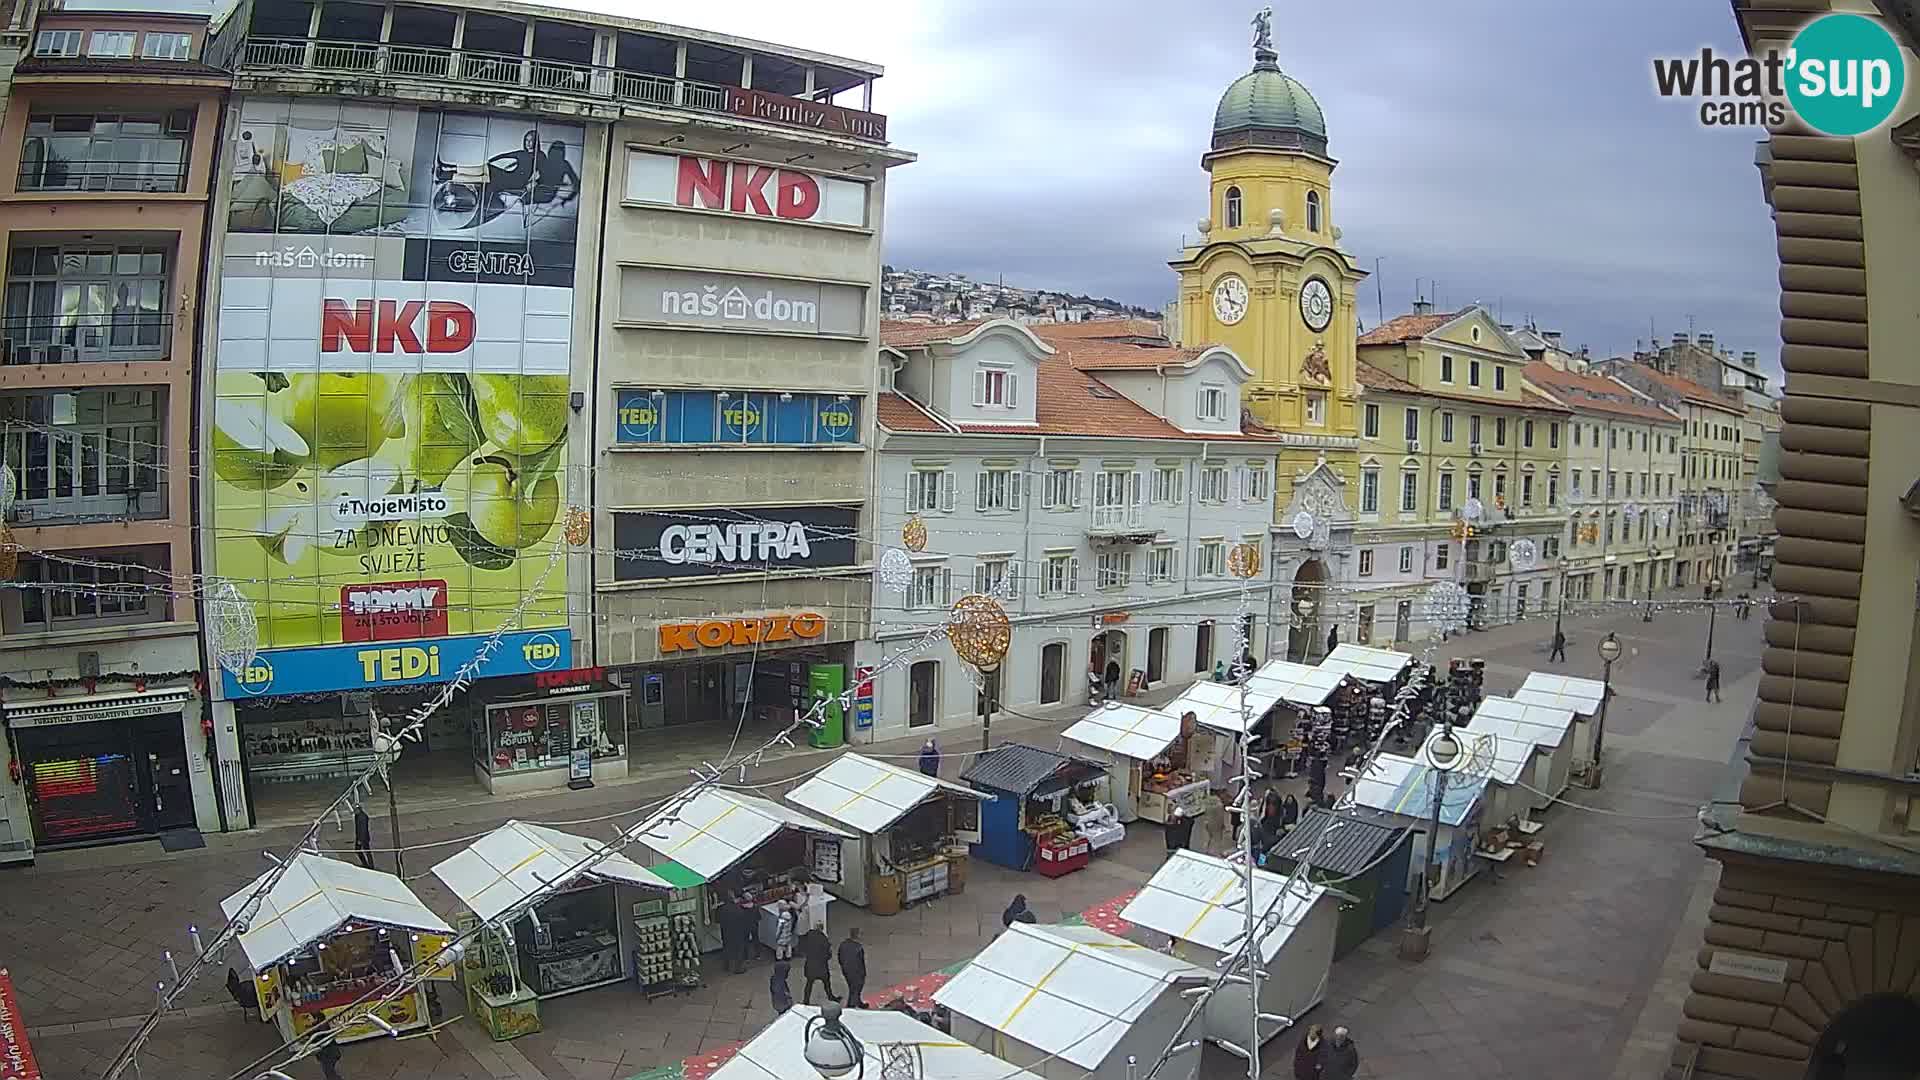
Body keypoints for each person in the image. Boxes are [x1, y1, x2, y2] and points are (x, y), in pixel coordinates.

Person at [799, 926, 837, 1004]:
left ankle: (806, 1000)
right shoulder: (824, 939)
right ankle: (830, 996)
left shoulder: (808, 936)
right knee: (826, 982)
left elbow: (801, 946)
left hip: (810, 965)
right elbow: (828, 954)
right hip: (821, 965)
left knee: (809, 983)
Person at [718, 893, 751, 974]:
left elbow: (718, 920)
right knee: (738, 950)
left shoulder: (722, 909)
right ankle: (738, 968)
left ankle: (727, 966)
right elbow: (743, 919)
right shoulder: (738, 908)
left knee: (727, 949)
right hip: (738, 932)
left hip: (726, 932)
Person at [838, 927, 867, 1009]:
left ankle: (858, 1002)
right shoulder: (858, 947)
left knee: (852, 988)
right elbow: (861, 962)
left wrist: (843, 966)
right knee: (855, 989)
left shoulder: (843, 944)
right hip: (856, 971)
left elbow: (839, 957)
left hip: (846, 970)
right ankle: (851, 1005)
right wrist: (863, 973)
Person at [352, 805, 374, 871]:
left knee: (365, 850)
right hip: (360, 836)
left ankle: (369, 865)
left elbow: (363, 829)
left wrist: (360, 839)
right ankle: (367, 864)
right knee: (364, 850)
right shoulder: (358, 816)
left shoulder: (362, 817)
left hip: (363, 837)